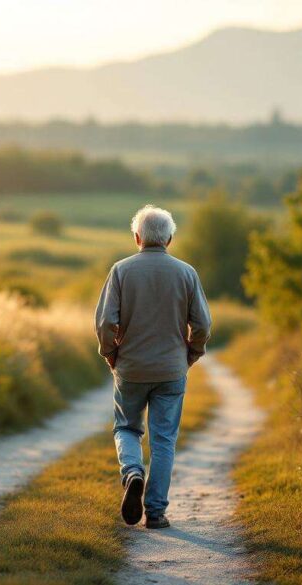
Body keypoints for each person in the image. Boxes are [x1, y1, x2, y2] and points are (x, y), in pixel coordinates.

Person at [94, 205, 212, 529]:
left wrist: (110, 353)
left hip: (130, 369)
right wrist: (191, 354)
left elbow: (105, 322)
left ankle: (132, 472)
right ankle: (156, 513)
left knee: (127, 428)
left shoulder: (120, 270)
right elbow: (202, 324)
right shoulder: (187, 273)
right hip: (172, 371)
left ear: (137, 238)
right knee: (163, 441)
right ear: (170, 239)